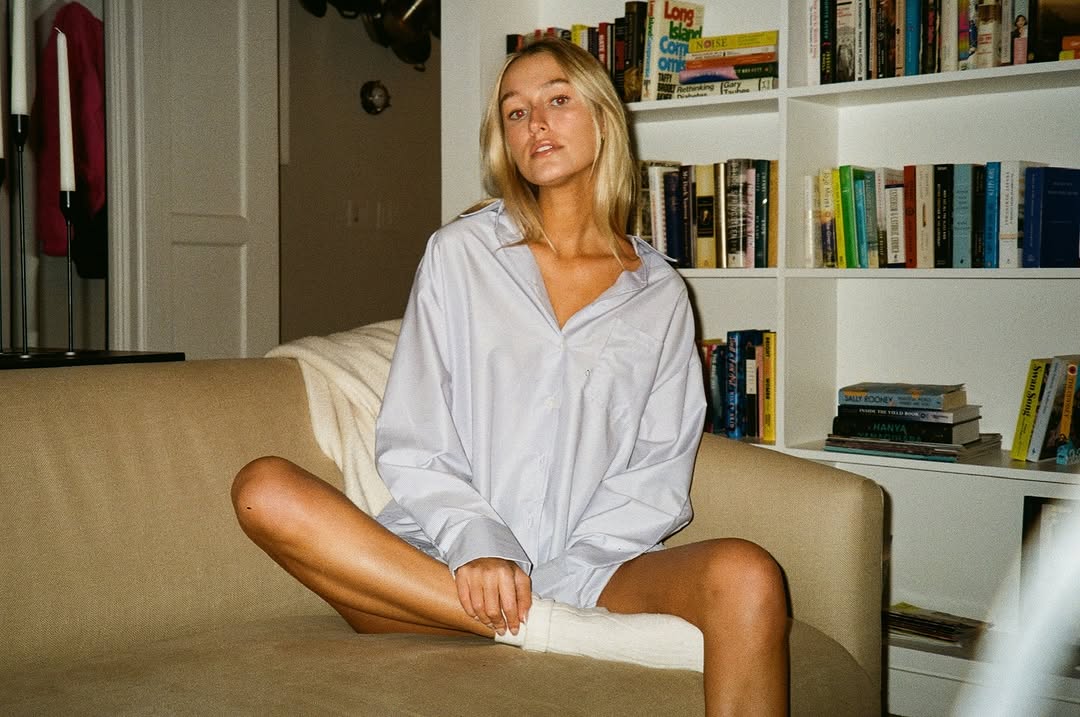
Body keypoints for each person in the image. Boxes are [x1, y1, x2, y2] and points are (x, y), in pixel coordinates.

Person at [232, 37, 789, 716]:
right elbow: (416, 437)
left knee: (749, 574)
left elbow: (658, 468)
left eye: (557, 100)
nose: (536, 124)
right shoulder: (459, 256)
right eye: (516, 112)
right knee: (263, 489)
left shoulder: (660, 294)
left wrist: (560, 574)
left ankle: (534, 618)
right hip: (440, 565)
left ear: (604, 120)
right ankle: (547, 630)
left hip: (593, 572)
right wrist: (480, 546)